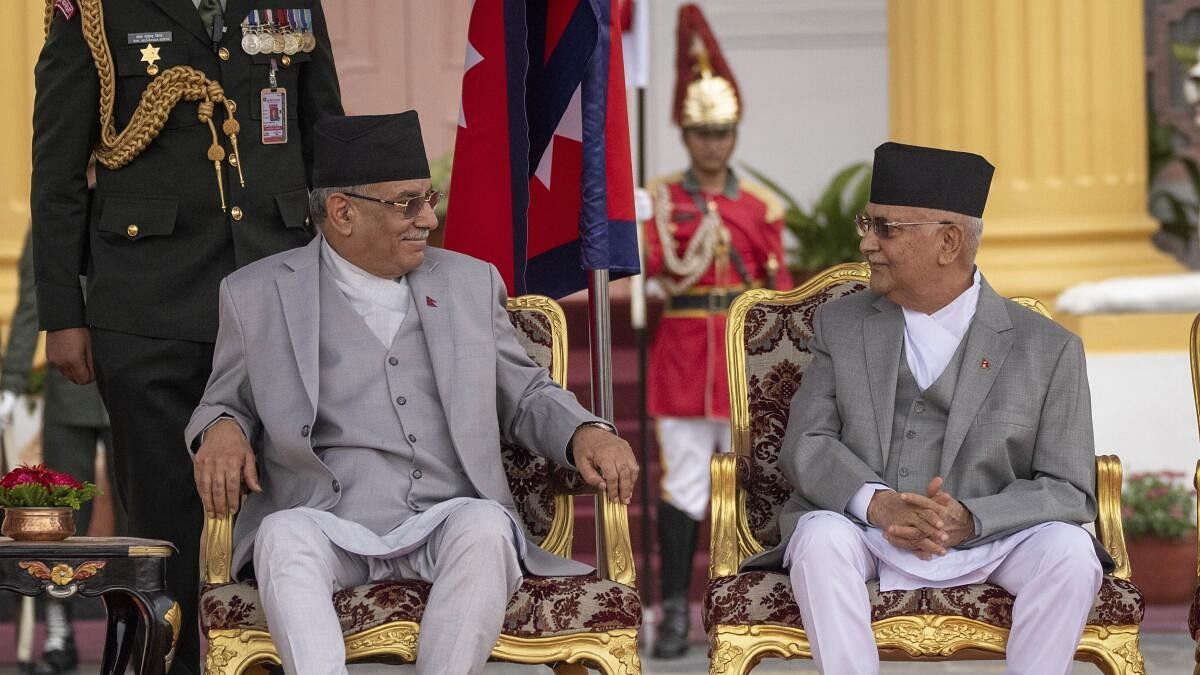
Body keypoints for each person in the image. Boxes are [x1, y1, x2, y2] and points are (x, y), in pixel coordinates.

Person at [185, 111, 640, 675]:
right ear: (343, 212)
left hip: (445, 515)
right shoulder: (255, 294)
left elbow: (523, 393)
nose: (427, 217)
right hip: (327, 518)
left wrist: (583, 431)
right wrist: (222, 428)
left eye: (429, 198)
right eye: (406, 203)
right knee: (281, 535)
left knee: (486, 528)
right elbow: (222, 399)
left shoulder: (470, 282)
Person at [30, 2, 343, 673]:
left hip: (278, 296)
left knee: (287, 530)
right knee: (162, 541)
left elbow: (325, 137)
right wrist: (63, 312)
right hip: (149, 307)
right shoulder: (92, 12)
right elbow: (57, 174)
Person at [741, 142, 1110, 675]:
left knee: (1071, 553)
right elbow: (808, 444)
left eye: (886, 228)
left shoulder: (1047, 348)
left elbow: (1070, 488)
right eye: (866, 224)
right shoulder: (842, 327)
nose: (867, 243)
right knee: (819, 538)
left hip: (996, 539)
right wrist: (881, 505)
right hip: (869, 533)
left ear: (948, 241)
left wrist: (973, 519)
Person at [642, 3, 790, 659]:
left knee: (751, 484)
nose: (713, 143)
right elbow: (652, 267)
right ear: (685, 134)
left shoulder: (760, 207)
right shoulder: (663, 199)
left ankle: (745, 604)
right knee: (683, 486)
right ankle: (673, 608)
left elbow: (778, 294)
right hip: (680, 357)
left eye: (723, 131)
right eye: (703, 132)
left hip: (737, 361)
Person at [1, 226, 123, 675]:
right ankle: (59, 628)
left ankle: (136, 626)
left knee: (137, 517)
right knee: (55, 521)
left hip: (132, 382)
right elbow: (35, 301)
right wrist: (12, 384)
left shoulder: (142, 190)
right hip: (71, 386)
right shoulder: (56, 213)